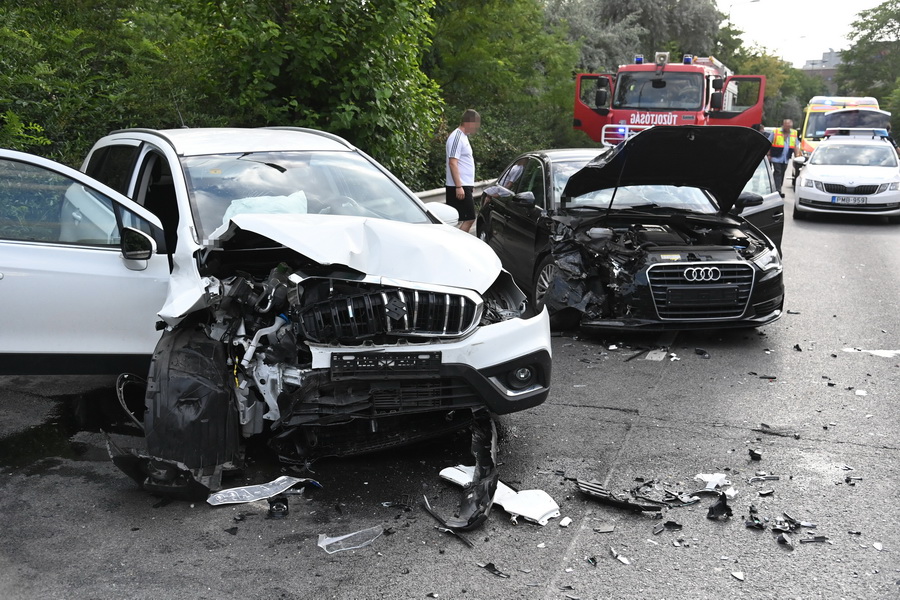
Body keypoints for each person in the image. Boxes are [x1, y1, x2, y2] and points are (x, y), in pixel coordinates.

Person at [446, 109, 481, 233]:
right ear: (469, 122)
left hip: (464, 185)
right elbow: (453, 162)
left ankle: (454, 243)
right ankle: (455, 244)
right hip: (458, 186)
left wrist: (469, 185)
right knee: (469, 218)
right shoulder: (456, 137)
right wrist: (459, 186)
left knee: (466, 218)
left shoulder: (463, 137)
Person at [767, 119, 800, 197]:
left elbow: (796, 145)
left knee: (782, 173)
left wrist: (797, 155)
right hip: (776, 156)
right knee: (778, 172)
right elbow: (768, 142)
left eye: (789, 126)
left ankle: (778, 188)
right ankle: (777, 191)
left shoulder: (794, 133)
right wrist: (768, 154)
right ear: (783, 125)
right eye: (786, 125)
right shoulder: (776, 132)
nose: (787, 127)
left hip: (786, 158)